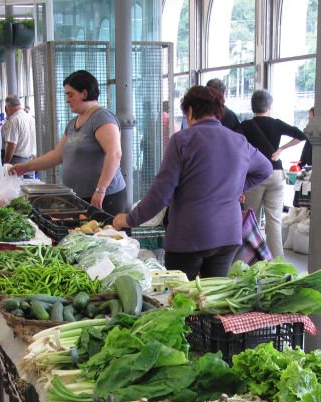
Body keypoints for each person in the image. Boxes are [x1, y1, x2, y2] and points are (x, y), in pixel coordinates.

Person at [112, 86, 272, 280]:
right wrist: (235, 188)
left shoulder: (182, 140)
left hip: (189, 236)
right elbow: (265, 169)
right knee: (212, 298)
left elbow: (161, 193)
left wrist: (129, 220)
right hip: (228, 235)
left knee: (181, 298)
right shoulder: (239, 141)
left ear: (189, 111)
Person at [12, 70, 128, 214]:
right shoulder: (74, 122)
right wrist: (26, 167)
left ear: (84, 94)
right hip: (78, 197)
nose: (67, 99)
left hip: (104, 198)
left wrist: (100, 189)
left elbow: (115, 153)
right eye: (66, 94)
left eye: (70, 94)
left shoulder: (102, 118)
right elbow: (57, 155)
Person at [238, 89, 307, 260]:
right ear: (269, 106)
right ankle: (276, 262)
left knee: (251, 219)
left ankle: (250, 259)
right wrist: (281, 149)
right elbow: (301, 135)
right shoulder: (276, 124)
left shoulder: (245, 126)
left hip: (255, 176)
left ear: (253, 106)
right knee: (274, 220)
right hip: (276, 173)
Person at [1, 95, 36, 169]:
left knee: (15, 180)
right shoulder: (31, 119)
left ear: (8, 106)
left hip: (17, 161)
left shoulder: (14, 121)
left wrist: (6, 163)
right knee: (29, 181)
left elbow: (12, 145)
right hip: (31, 160)